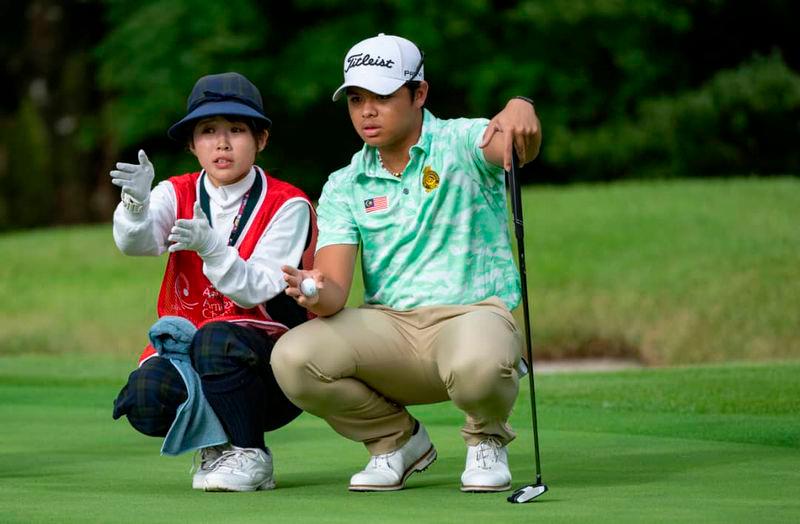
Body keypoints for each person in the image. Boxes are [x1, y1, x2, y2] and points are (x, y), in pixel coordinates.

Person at [271, 33, 541, 493]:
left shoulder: (460, 141)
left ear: (419, 94)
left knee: (478, 364)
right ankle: (395, 441)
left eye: (382, 96)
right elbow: (334, 291)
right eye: (356, 99)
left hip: (471, 316)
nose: (366, 111)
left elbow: (512, 149)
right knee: (293, 358)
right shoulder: (344, 183)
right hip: (390, 329)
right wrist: (312, 290)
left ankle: (486, 438)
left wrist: (521, 107)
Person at [110, 72, 316, 492]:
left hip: (273, 367)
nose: (222, 143)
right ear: (192, 144)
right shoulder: (175, 191)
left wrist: (211, 247)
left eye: (237, 130)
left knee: (217, 340)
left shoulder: (288, 204)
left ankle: (251, 453)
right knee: (145, 398)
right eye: (208, 131)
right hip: (196, 355)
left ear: (261, 140)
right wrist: (134, 206)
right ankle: (217, 445)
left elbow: (256, 287)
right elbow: (139, 243)